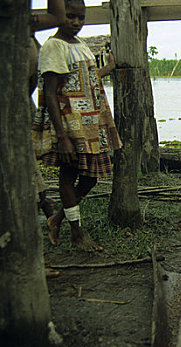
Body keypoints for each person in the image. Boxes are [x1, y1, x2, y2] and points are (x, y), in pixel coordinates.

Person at [32, 0, 121, 251]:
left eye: (80, 18)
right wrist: (62, 137)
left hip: (90, 125)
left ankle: (57, 218)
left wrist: (105, 70)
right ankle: (76, 232)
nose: (76, 23)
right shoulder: (53, 46)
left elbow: (82, 79)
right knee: (69, 175)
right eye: (70, 17)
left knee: (91, 177)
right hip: (70, 126)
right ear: (60, 15)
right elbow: (50, 94)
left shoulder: (80, 45)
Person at [30, 1, 67, 219]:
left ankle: (40, 199)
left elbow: (58, 16)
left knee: (25, 158)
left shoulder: (20, 27)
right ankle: (41, 200)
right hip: (17, 102)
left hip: (20, 103)